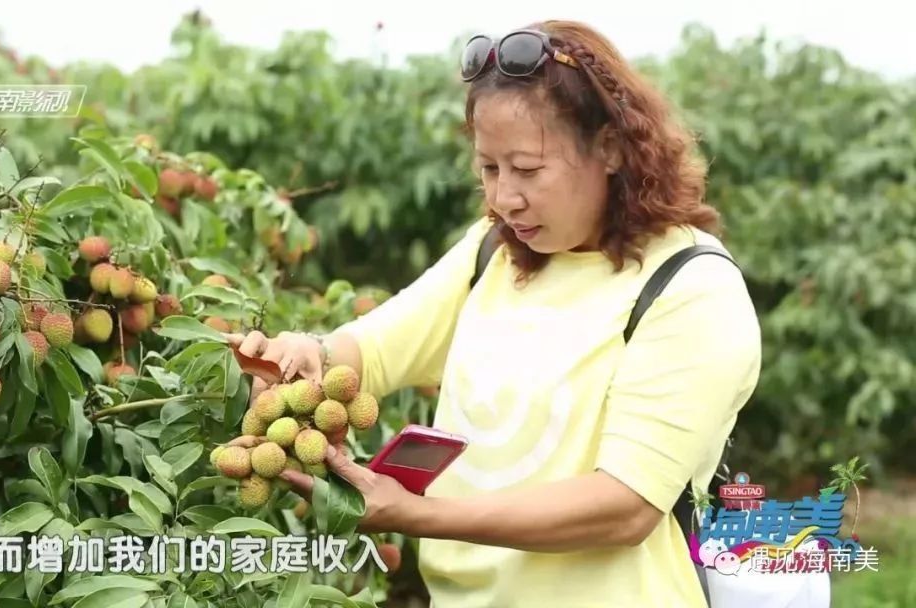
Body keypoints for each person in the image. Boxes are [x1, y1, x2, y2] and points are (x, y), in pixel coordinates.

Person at [226, 19, 762, 608]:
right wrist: (308, 354)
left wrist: (421, 515)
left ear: (609, 148)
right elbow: (373, 351)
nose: (505, 196)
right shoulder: (497, 250)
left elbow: (624, 507)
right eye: (489, 168)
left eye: (529, 170)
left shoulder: (690, 288)